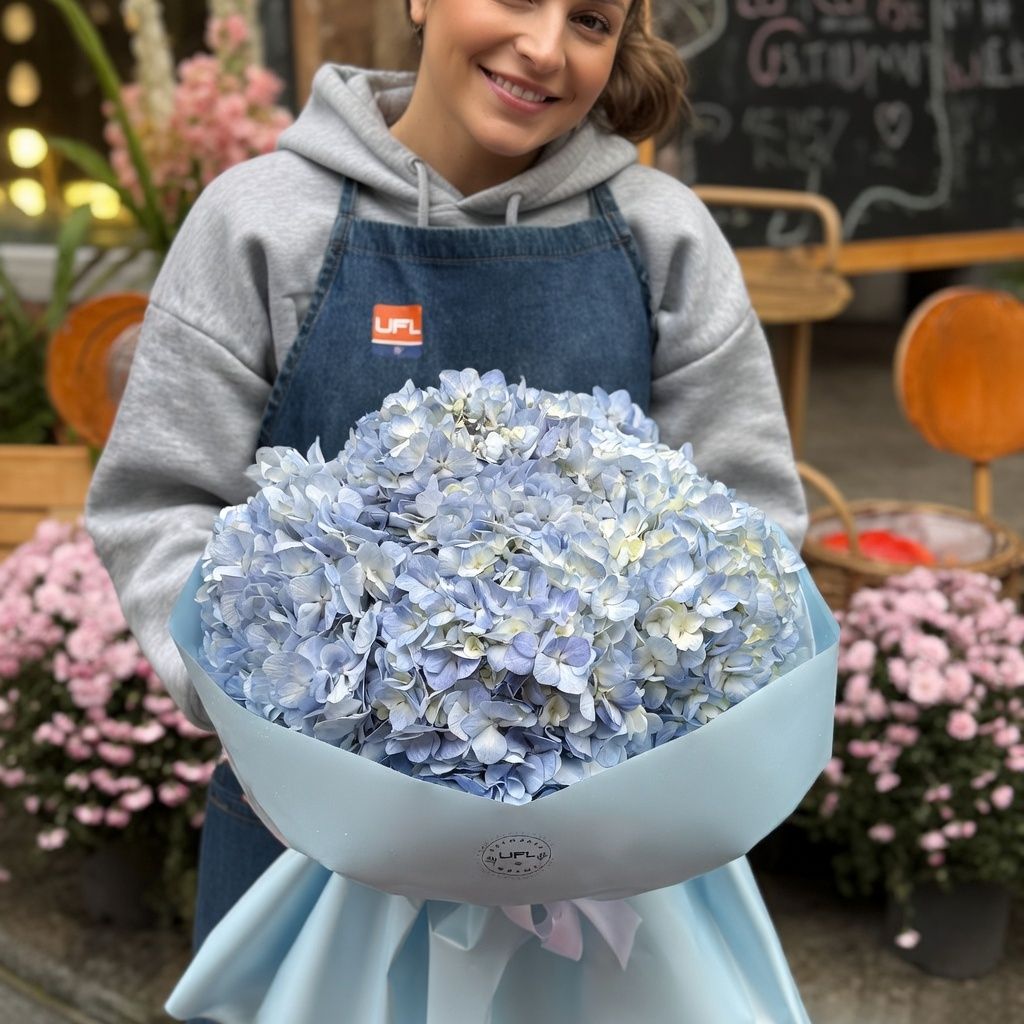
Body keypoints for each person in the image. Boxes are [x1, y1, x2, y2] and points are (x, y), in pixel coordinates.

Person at [88, 0, 808, 1015]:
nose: (545, 48)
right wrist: (266, 722)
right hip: (309, 854)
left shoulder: (663, 236)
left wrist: (641, 755)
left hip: (613, 878)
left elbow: (751, 524)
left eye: (591, 20)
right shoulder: (261, 221)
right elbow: (157, 502)